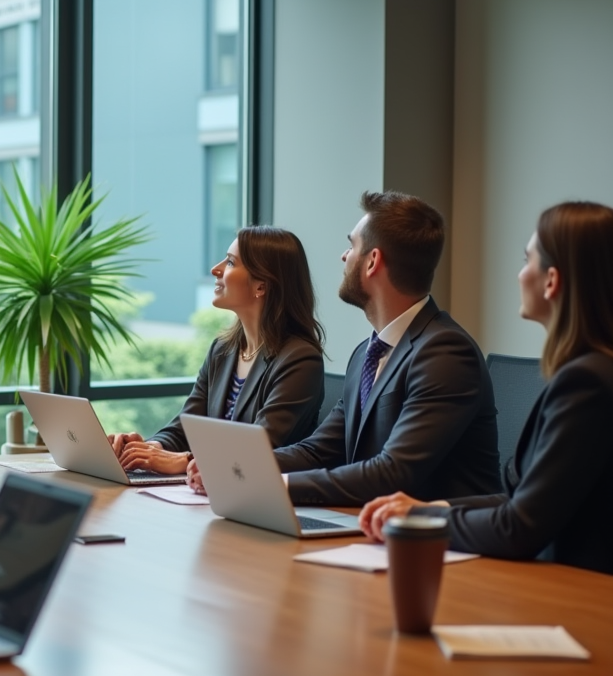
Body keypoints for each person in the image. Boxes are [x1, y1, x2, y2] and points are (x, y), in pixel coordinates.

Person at [360, 201, 613, 575]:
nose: (520, 274)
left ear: (552, 281)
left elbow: (519, 527)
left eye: (527, 260)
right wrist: (427, 509)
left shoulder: (587, 382)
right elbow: (523, 500)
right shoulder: (587, 373)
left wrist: (418, 523)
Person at [266, 191, 501, 506]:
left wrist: (276, 485)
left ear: (372, 261)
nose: (344, 256)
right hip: (372, 531)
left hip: (442, 545)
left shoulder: (445, 353)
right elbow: (319, 450)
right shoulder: (367, 352)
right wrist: (239, 467)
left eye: (352, 246)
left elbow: (392, 474)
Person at [106, 227, 325, 482]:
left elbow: (258, 447)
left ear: (261, 285)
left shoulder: (300, 359)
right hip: (208, 492)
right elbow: (185, 426)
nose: (216, 269)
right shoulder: (222, 350)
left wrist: (185, 460)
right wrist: (150, 449)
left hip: (256, 501)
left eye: (231, 262)